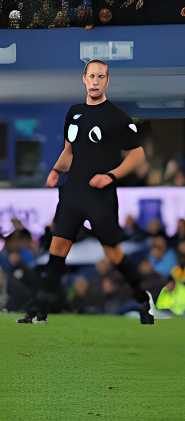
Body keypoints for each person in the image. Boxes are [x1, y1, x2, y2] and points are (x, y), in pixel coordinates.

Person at [18, 60, 155, 324]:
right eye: (91, 76)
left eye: (100, 76)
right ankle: (40, 309)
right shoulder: (74, 112)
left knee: (113, 253)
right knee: (57, 248)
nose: (95, 81)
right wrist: (57, 170)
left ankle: (142, 300)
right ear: (83, 79)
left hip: (99, 196)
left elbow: (138, 156)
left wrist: (110, 176)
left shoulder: (117, 117)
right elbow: (70, 152)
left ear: (107, 81)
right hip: (72, 192)